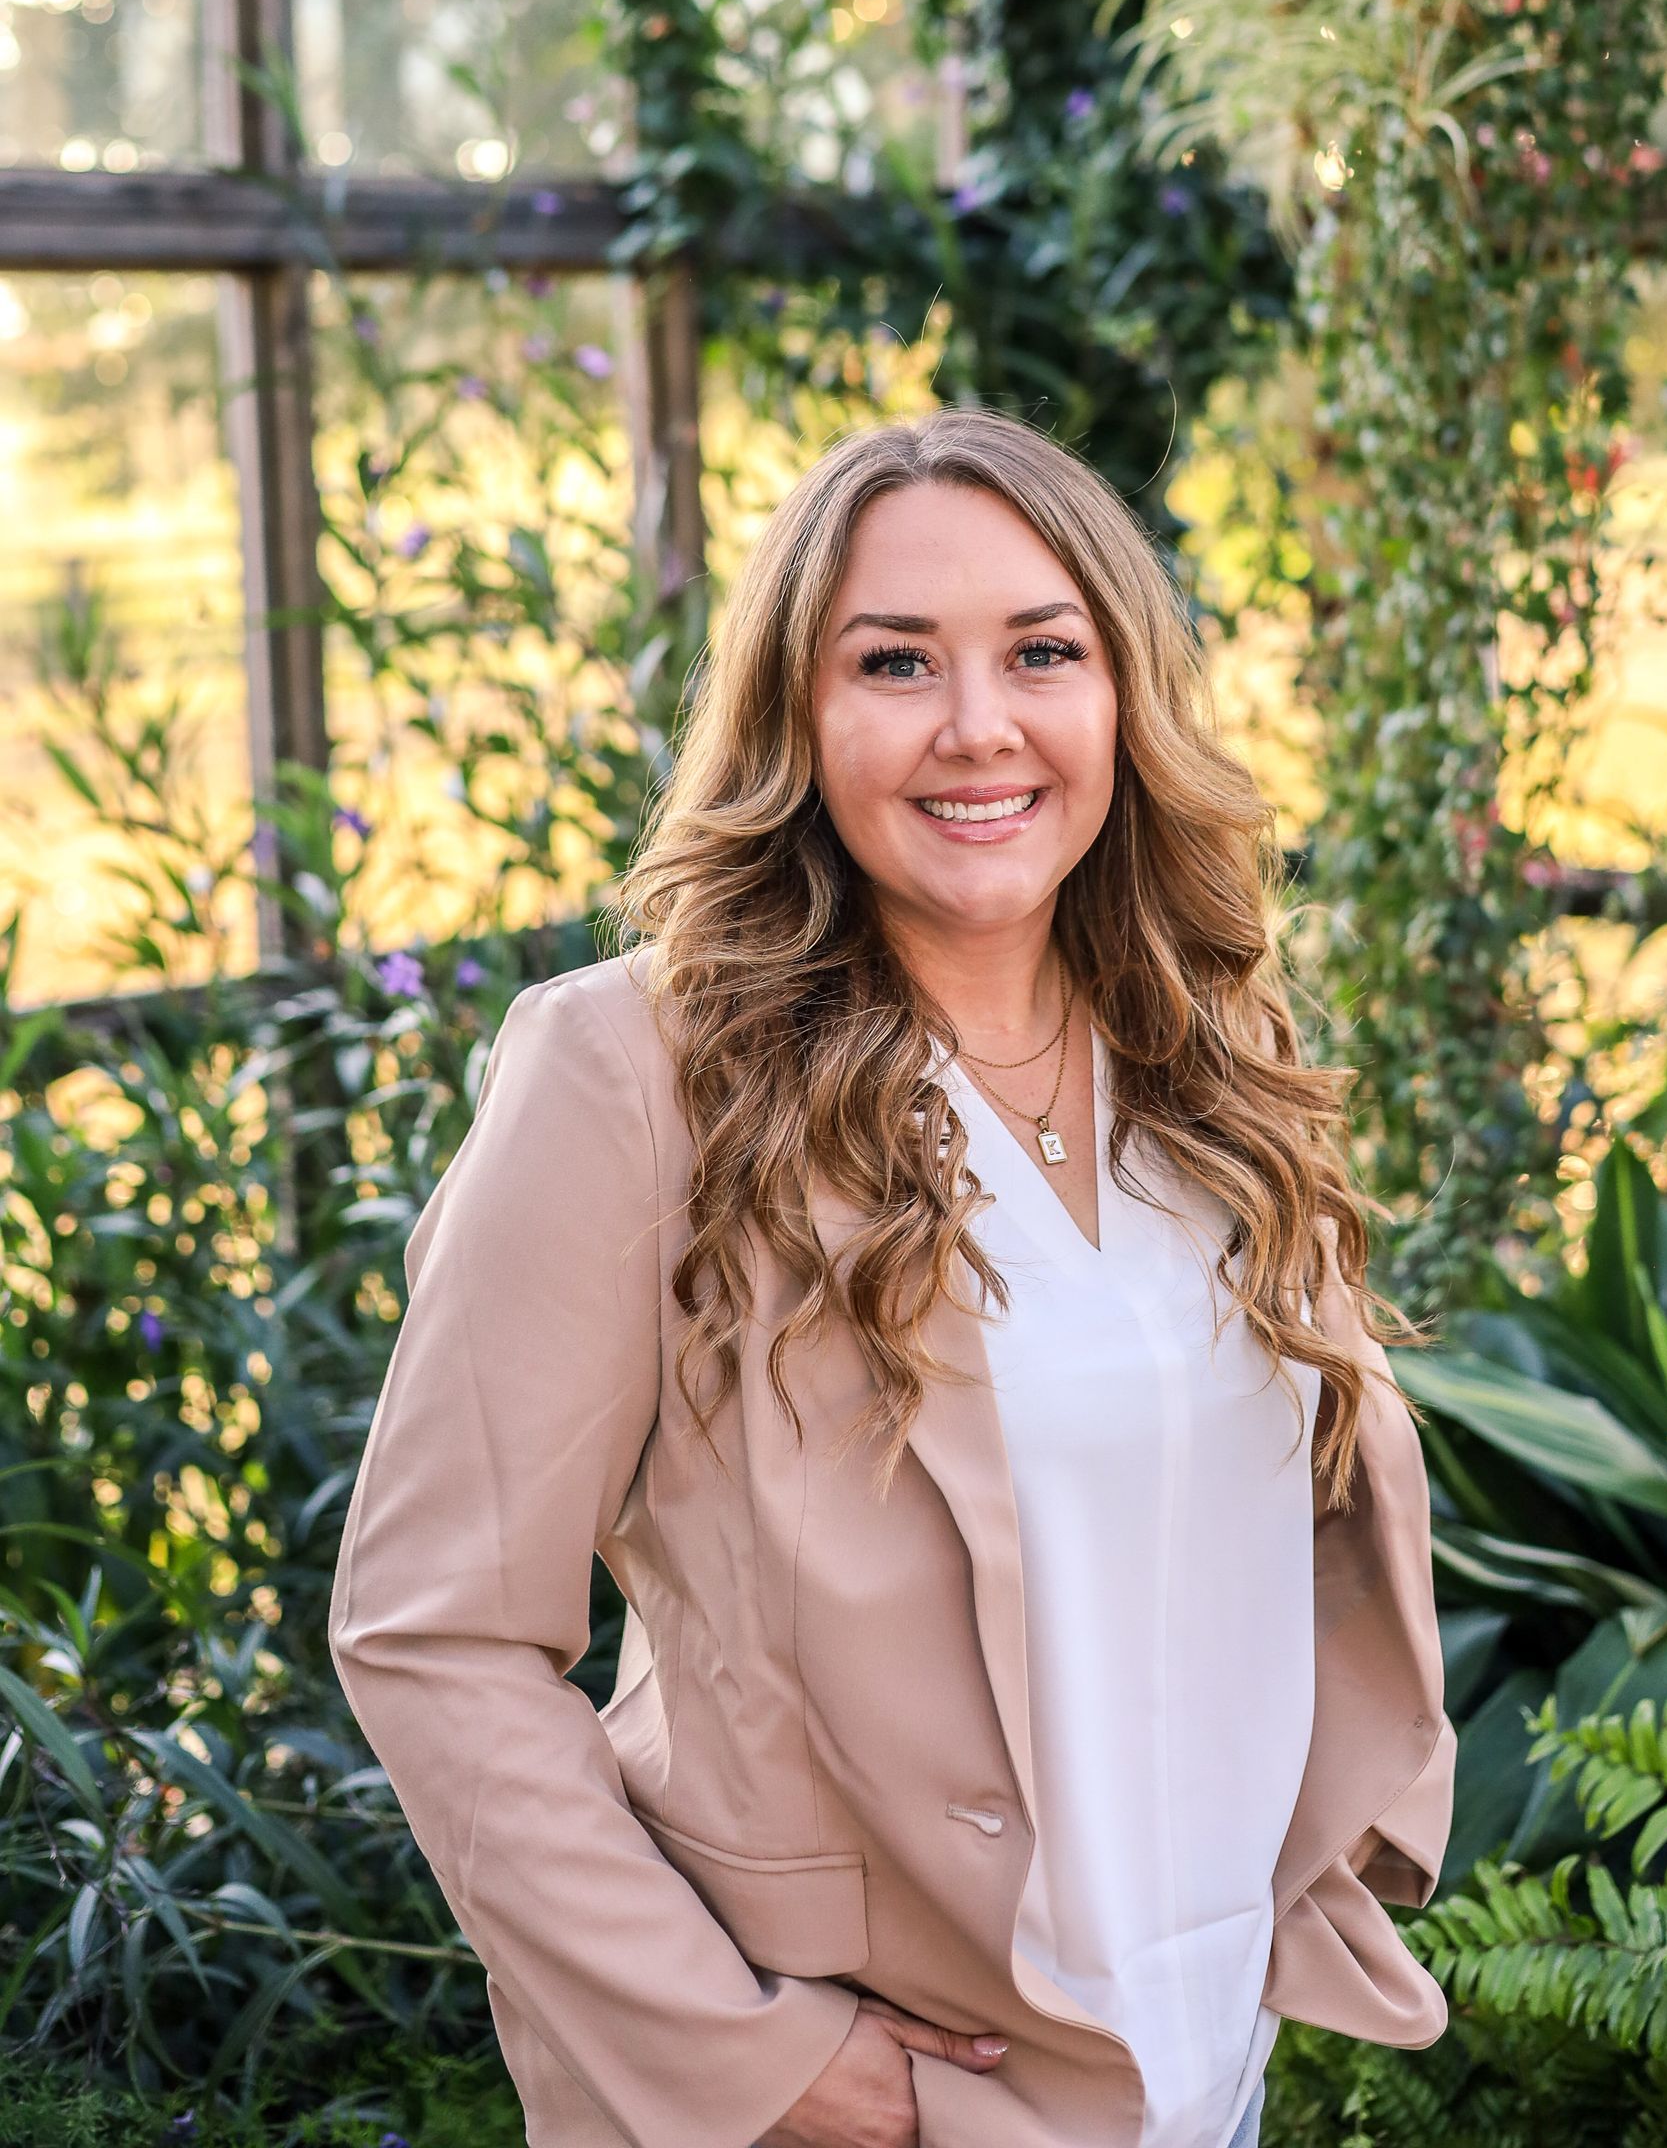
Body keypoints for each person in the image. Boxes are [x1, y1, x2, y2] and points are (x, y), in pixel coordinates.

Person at [329, 411, 1454, 2148]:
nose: (978, 725)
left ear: (1124, 695)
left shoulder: (1204, 1049)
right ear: (799, 715)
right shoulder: (635, 1076)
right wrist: (756, 2065)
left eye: (1042, 652)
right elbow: (435, 1628)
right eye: (895, 663)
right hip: (901, 2095)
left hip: (1201, 2053)